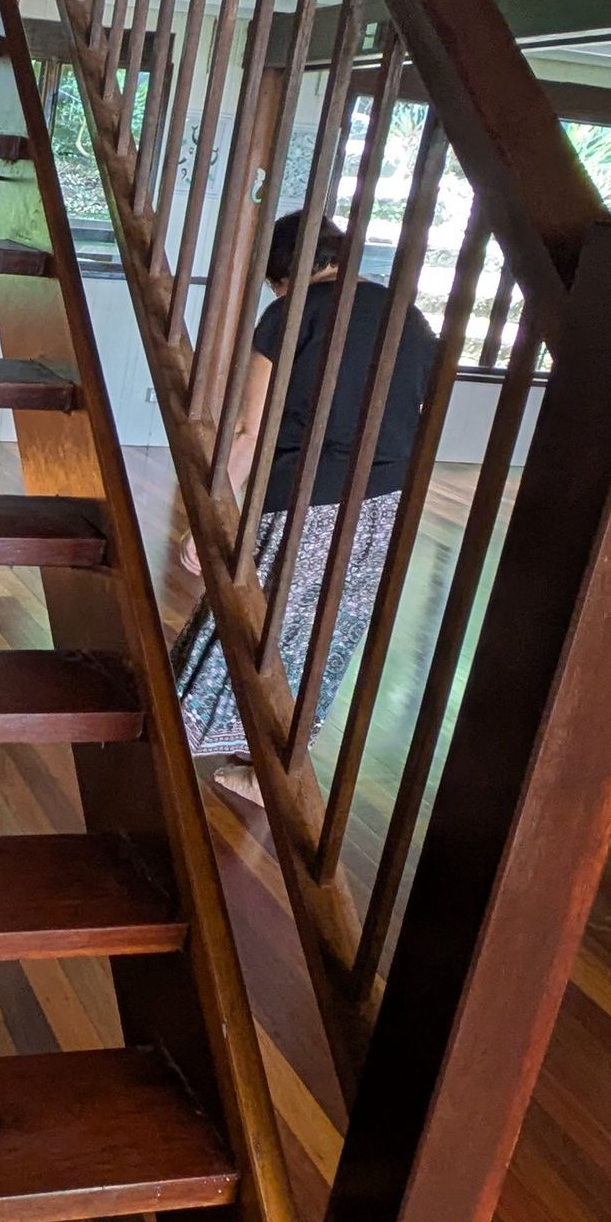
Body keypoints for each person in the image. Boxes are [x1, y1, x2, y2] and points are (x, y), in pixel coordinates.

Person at [171, 209, 439, 800]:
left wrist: (204, 518)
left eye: (276, 283)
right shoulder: (408, 316)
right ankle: (275, 763)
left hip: (308, 495)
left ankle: (179, 732)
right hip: (384, 503)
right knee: (329, 628)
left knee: (254, 615)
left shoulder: (291, 314)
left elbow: (249, 429)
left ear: (286, 274)